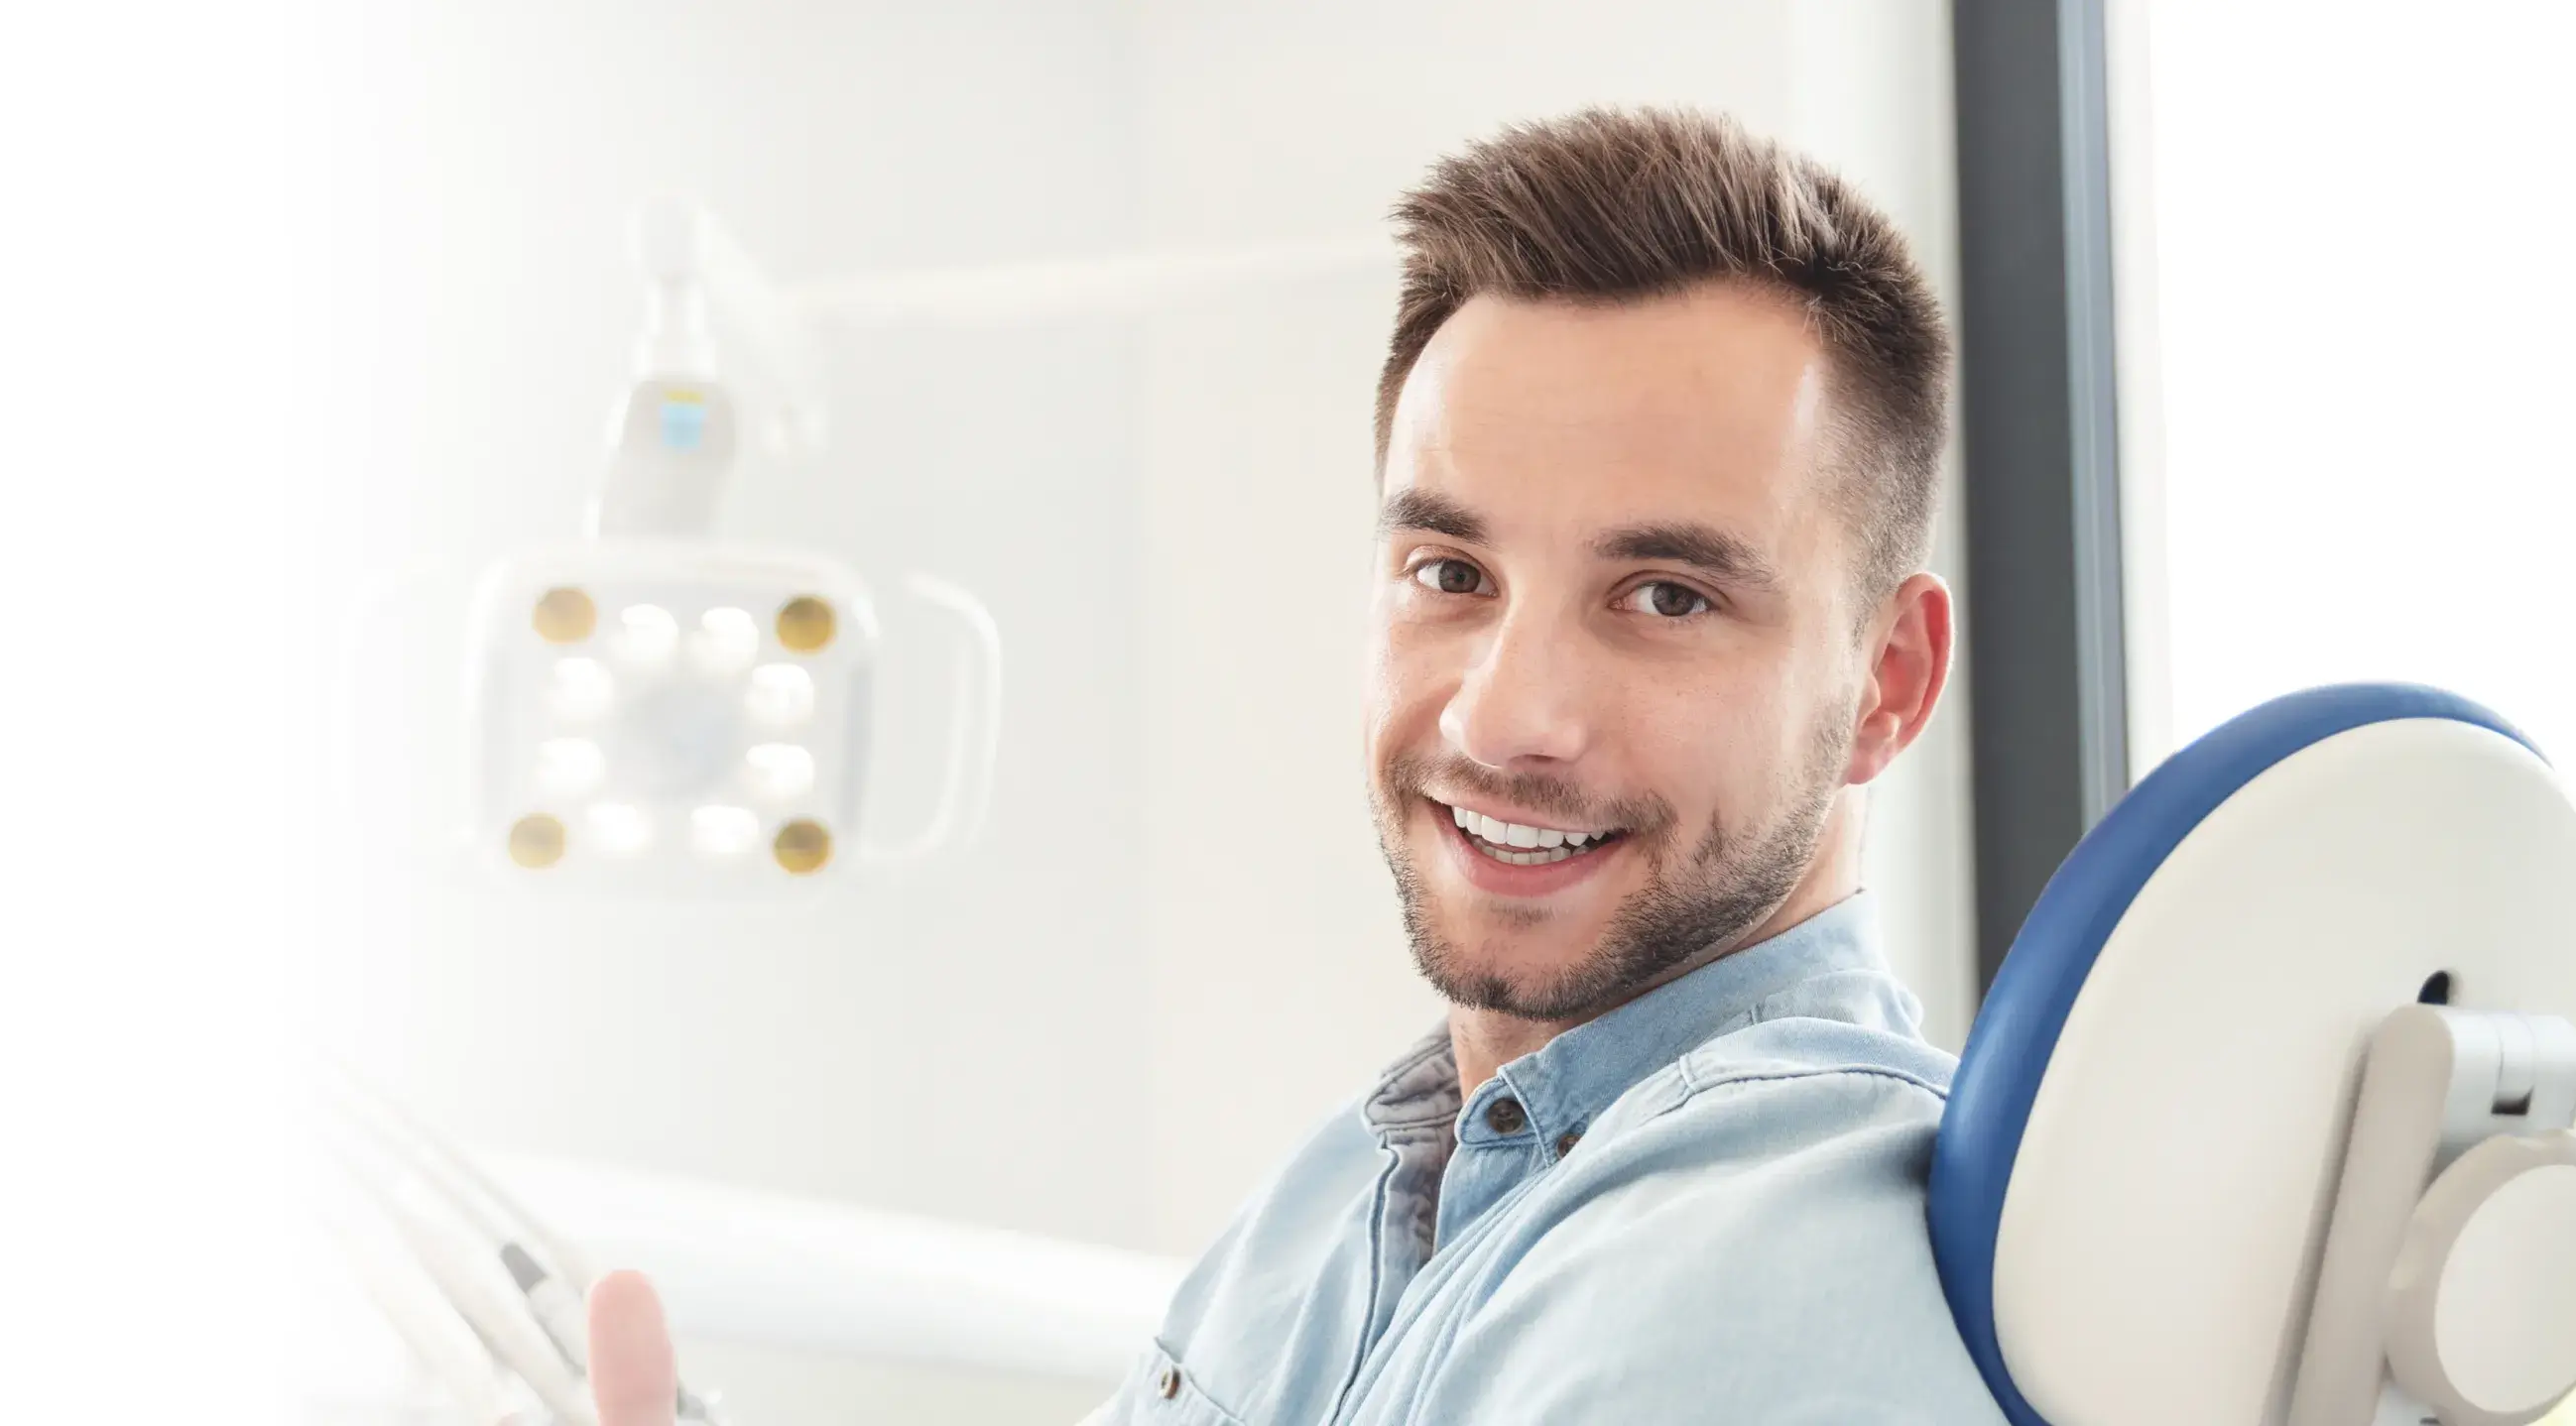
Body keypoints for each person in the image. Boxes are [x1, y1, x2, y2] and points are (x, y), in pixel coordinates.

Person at [588, 106, 2007, 1424]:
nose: (1504, 719)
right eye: (1450, 571)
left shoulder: (1765, 1262)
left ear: (1890, 681)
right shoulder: (1360, 1188)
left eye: (1667, 597)